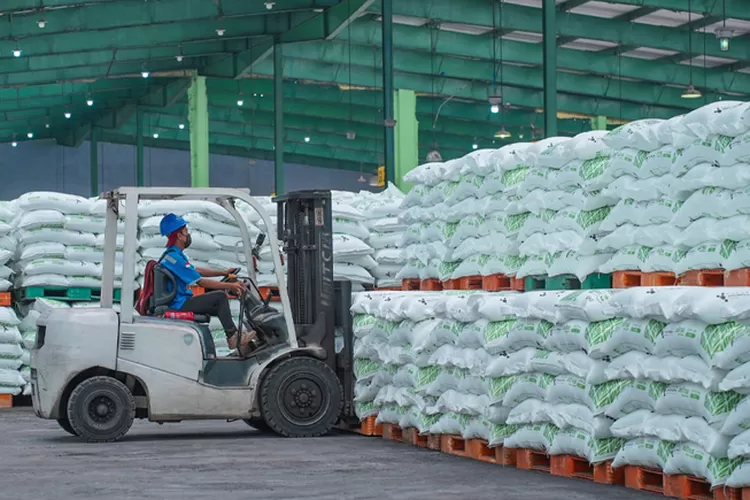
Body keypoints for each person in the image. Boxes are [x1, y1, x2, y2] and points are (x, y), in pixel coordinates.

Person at [158, 213, 255, 352]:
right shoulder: (174, 258)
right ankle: (233, 337)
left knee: (217, 303)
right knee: (219, 297)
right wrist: (230, 285)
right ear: (179, 236)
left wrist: (223, 273)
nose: (188, 234)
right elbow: (201, 282)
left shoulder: (173, 255)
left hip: (179, 301)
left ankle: (242, 346)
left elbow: (195, 270)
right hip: (178, 304)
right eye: (185, 231)